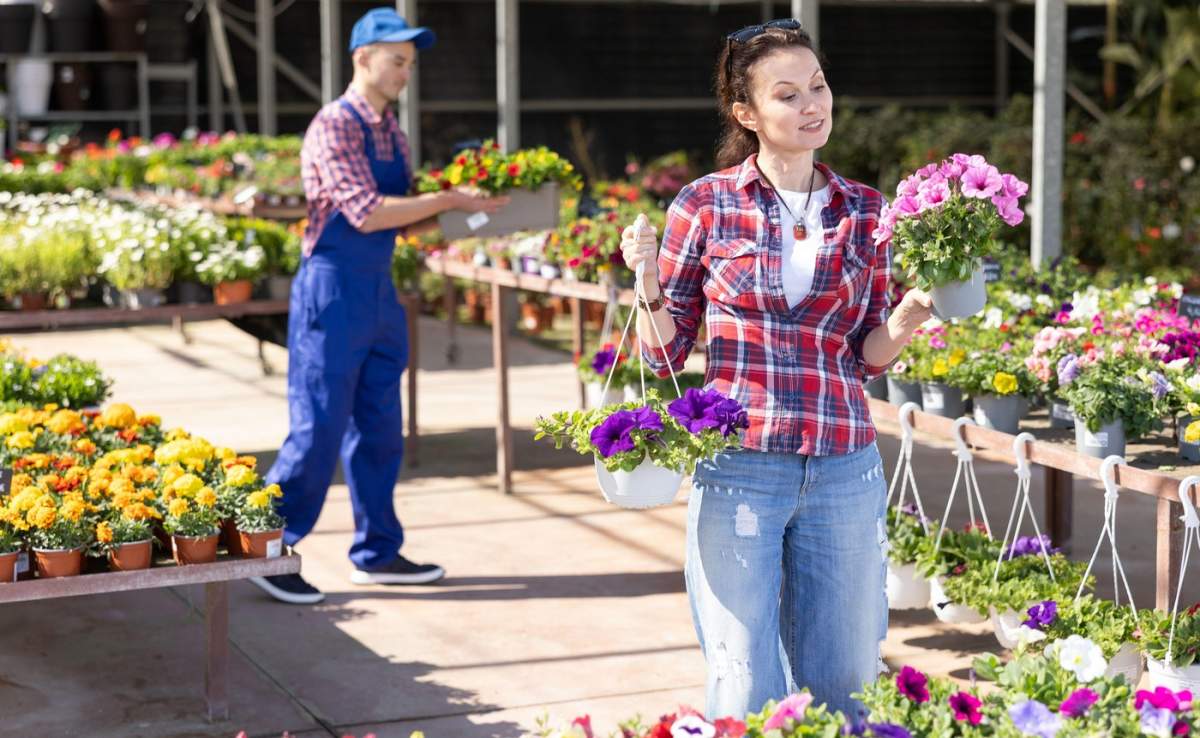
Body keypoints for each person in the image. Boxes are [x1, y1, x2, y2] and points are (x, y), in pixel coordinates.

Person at [619, 19, 933, 719]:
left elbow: (865, 358)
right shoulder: (704, 204)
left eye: (817, 86)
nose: (811, 104)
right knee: (742, 674)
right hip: (739, 466)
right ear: (746, 114)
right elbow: (663, 353)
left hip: (843, 466)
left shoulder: (866, 211)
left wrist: (908, 319)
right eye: (787, 95)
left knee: (847, 674)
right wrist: (643, 279)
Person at [251, 7, 508, 605]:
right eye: (397, 61)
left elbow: (403, 222)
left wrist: (474, 214)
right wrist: (444, 196)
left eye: (410, 64)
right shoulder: (334, 126)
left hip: (377, 290)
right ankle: (264, 548)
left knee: (379, 429)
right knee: (317, 427)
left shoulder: (390, 129)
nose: (404, 74)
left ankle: (377, 551)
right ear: (362, 58)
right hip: (332, 292)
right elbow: (365, 211)